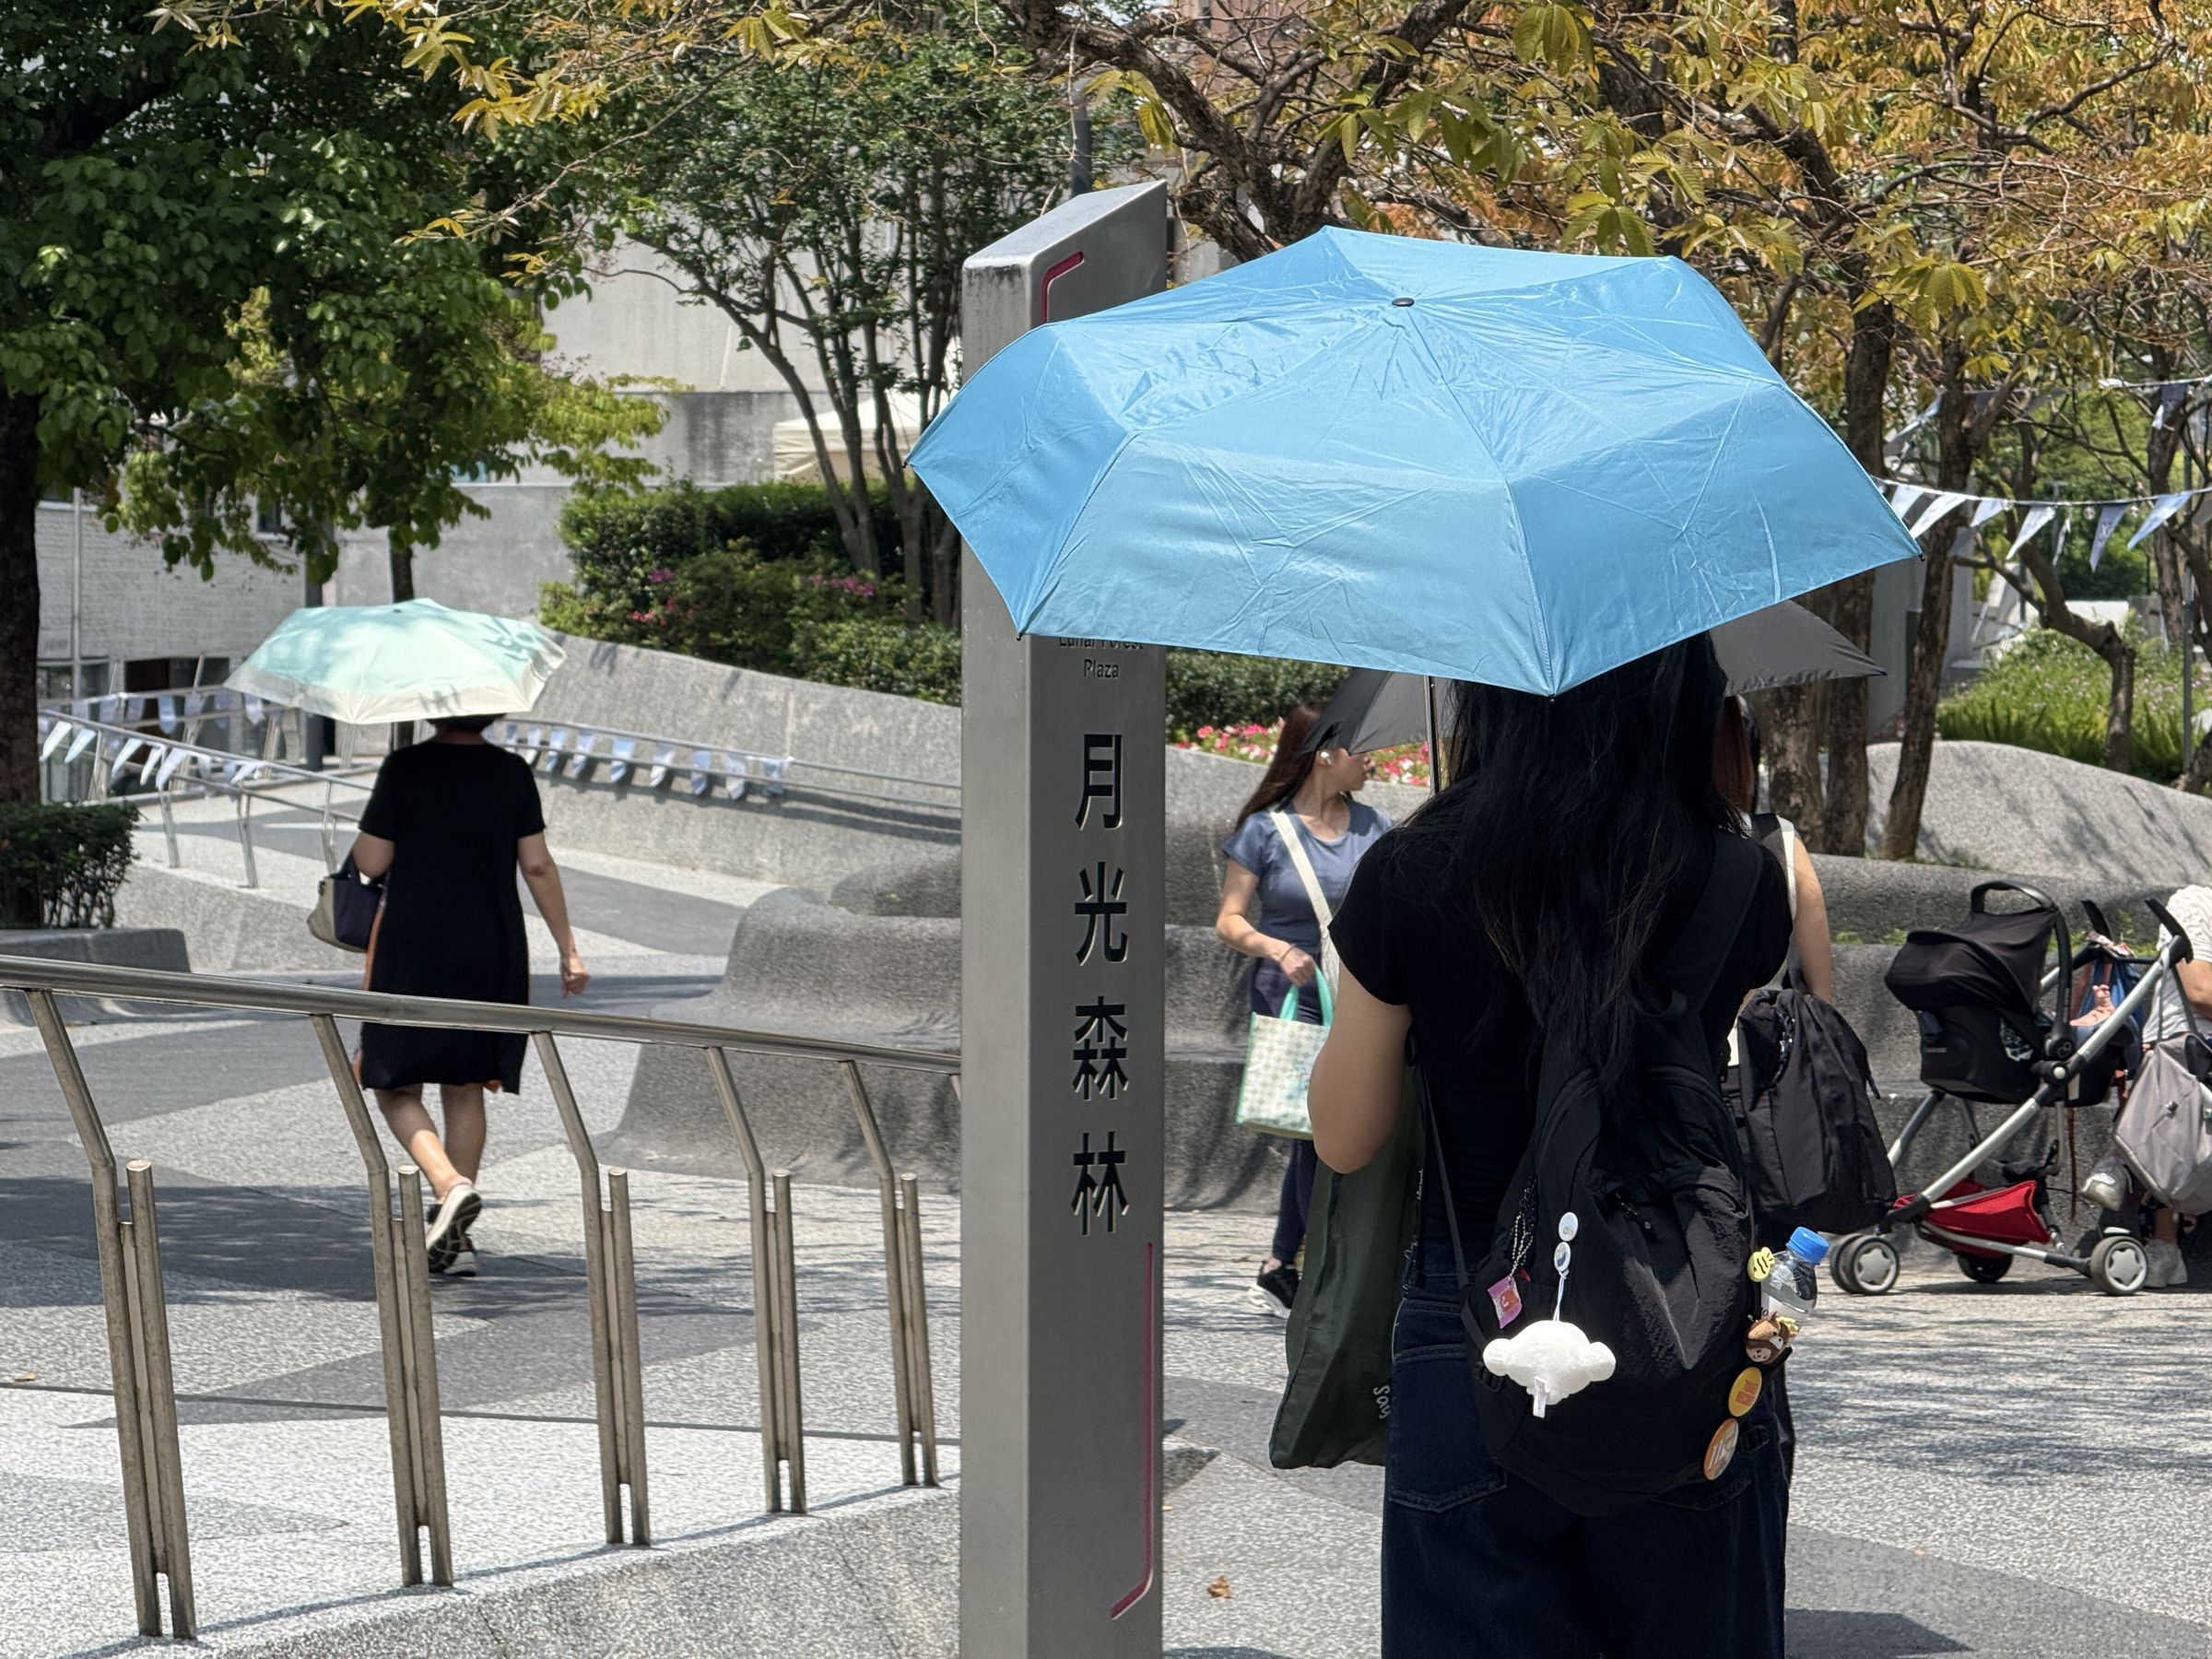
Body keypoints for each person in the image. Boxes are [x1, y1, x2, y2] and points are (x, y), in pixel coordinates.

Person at [1309, 636, 1793, 1657]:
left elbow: (1345, 1140)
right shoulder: (1739, 879)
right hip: (1686, 1322)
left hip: (1475, 1320)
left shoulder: (1415, 871)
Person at [349, 713, 590, 1275]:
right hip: (492, 944)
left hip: (413, 944)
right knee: (464, 1086)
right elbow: (536, 863)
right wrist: (568, 949)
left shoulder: (405, 766)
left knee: (390, 1080)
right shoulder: (511, 772)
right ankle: (456, 1244)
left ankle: (448, 1185)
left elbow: (371, 861)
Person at [1215, 704, 1388, 1314]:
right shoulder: (1265, 831)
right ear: (1324, 755)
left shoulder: (1377, 828)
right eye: (1360, 748)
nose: (1373, 760)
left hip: (1358, 990)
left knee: (1316, 1132)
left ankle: (1282, 1260)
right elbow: (1229, 920)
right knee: (1312, 1127)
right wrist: (1278, 947)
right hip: (1291, 992)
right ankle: (1309, 1262)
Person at [2089, 882, 2212, 1287]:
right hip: (2188, 1042)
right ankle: (2127, 1168)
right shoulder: (2196, 903)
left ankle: (2123, 1168)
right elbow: (2201, 991)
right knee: (2175, 1074)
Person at [1712, 694, 1835, 1002]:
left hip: (1653, 1045)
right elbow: (1821, 995)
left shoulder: (1638, 844)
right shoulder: (1778, 839)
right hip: (1749, 1042)